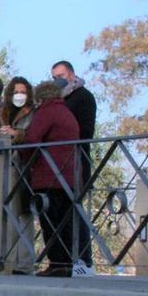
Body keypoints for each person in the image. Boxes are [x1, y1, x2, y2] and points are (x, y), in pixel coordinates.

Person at [22, 80, 81, 277]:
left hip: (48, 175)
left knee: (50, 222)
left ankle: (56, 263)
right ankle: (66, 264)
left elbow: (32, 139)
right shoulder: (67, 113)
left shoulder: (46, 112)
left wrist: (25, 160)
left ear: (41, 97)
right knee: (64, 222)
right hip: (68, 176)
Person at [51, 60, 96, 275]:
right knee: (57, 213)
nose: (57, 80)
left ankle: (83, 263)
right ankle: (61, 263)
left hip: (76, 162)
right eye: (53, 77)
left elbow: (86, 131)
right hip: (56, 164)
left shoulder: (83, 97)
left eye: (60, 75)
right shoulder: (55, 101)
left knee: (75, 213)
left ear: (71, 74)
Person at [0, 77, 36, 275]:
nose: (19, 95)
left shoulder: (33, 113)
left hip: (25, 166)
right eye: (16, 92)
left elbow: (33, 135)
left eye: (23, 91)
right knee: (6, 215)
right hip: (5, 166)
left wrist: (16, 133)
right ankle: (7, 261)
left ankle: (25, 263)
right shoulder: (3, 113)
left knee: (24, 214)